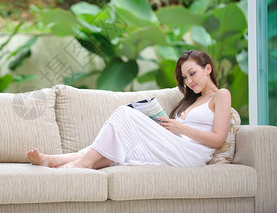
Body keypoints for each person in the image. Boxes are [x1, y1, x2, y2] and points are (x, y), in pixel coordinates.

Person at [27, 49, 231, 169]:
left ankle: (82, 164)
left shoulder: (221, 95)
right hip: (173, 145)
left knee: (124, 114)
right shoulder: (189, 100)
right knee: (122, 145)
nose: (189, 81)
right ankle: (54, 160)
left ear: (208, 68)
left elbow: (218, 139)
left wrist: (181, 128)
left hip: (191, 154)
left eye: (192, 73)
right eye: (185, 78)